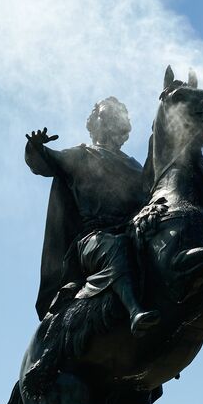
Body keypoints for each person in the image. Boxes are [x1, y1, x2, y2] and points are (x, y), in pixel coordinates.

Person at [24, 97, 159, 334]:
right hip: (94, 240)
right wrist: (35, 147)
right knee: (115, 247)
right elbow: (43, 163)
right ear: (95, 124)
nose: (112, 122)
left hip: (130, 230)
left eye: (117, 118)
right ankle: (135, 311)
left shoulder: (135, 165)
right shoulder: (81, 155)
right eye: (106, 117)